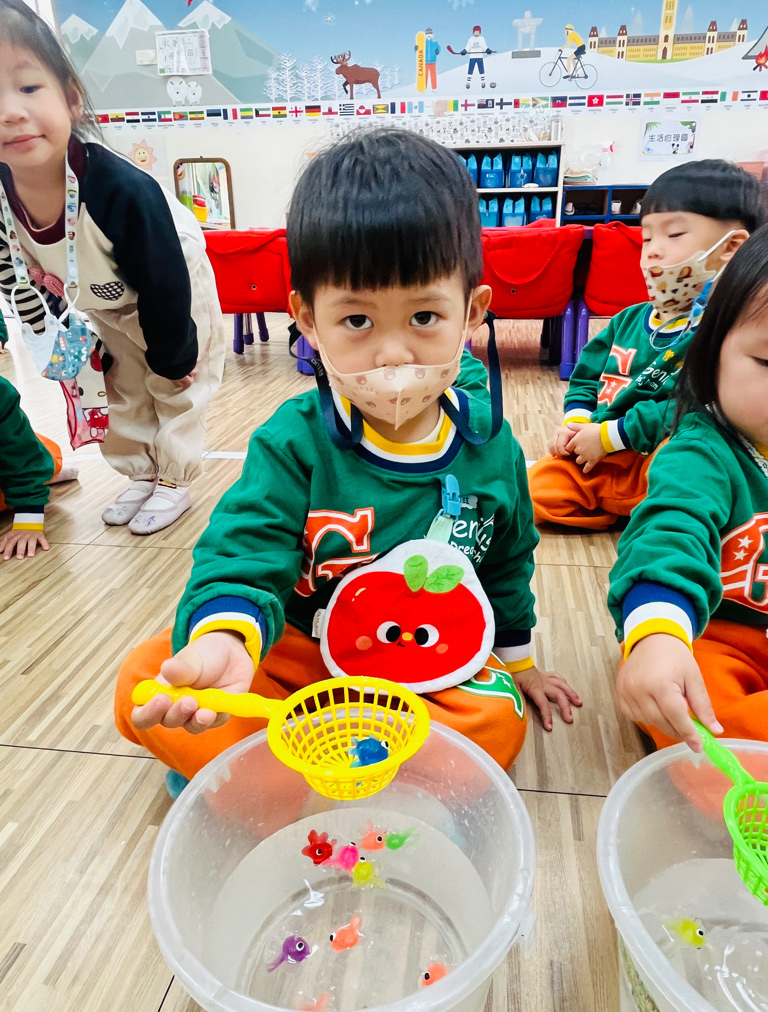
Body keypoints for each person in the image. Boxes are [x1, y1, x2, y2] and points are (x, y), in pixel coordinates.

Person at [115, 129, 580, 790]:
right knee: (145, 676)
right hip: (303, 651)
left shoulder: (491, 445)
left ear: (472, 312)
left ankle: (274, 774)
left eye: (424, 316)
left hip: (427, 660)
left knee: (496, 720)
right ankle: (330, 769)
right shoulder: (293, 440)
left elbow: (507, 560)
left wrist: (519, 660)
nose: (393, 353)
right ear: (307, 318)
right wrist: (225, 638)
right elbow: (244, 547)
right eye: (357, 321)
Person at [0, 0, 225, 535]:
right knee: (120, 385)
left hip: (170, 285)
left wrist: (174, 355)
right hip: (99, 299)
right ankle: (141, 472)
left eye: (28, 87)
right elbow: (14, 270)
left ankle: (173, 478)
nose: (9, 111)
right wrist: (53, 332)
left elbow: (164, 281)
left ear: (71, 98)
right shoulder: (3, 194)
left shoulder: (121, 189)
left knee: (175, 383)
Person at [528, 160, 761, 530]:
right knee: (534, 492)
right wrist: (577, 424)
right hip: (602, 449)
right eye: (647, 237)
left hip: (661, 451)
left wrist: (610, 436)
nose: (651, 251)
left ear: (730, 247)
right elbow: (585, 378)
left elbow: (691, 406)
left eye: (674, 234)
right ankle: (625, 506)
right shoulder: (627, 320)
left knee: (687, 472)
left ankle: (648, 509)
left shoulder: (723, 333)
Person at [608, 226, 768, 754]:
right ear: (713, 349)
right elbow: (668, 535)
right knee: (700, 715)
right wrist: (658, 634)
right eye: (767, 364)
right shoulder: (704, 452)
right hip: (711, 633)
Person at [0, 374, 78, 558]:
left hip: (18, 455)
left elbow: (21, 453)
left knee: (44, 458)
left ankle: (46, 474)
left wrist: (28, 519)